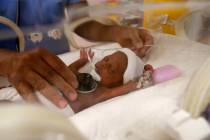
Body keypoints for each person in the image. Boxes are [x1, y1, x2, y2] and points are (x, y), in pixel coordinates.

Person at [0, 0, 153, 109]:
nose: (103, 63)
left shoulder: (97, 90)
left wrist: (115, 32)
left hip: (55, 65)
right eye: (106, 59)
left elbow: (81, 22)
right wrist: (7, 61)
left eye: (111, 69)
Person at [68, 47, 153, 112]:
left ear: (120, 84)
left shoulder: (105, 92)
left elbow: (139, 83)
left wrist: (148, 71)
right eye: (106, 59)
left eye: (111, 70)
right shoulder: (87, 78)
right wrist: (82, 60)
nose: (102, 65)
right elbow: (70, 70)